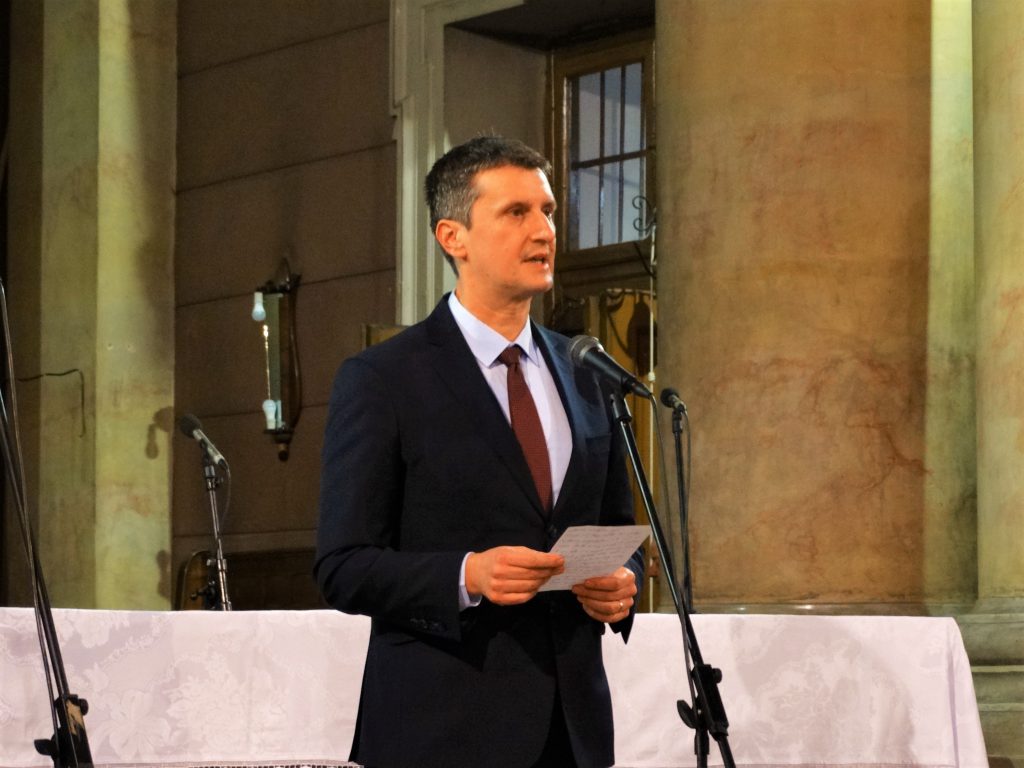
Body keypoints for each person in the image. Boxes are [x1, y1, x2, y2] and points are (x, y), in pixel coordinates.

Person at [315, 135, 643, 768]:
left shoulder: (587, 370)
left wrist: (619, 583)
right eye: (516, 212)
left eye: (547, 211)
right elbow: (343, 564)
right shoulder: (385, 378)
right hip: (442, 728)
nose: (543, 230)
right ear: (453, 236)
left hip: (573, 733)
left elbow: (613, 526)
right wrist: (467, 575)